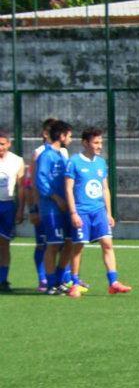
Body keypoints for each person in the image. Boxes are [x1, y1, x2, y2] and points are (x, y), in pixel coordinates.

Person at [64, 127, 132, 297]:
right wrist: (73, 213)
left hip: (99, 211)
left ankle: (113, 282)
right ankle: (74, 282)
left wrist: (109, 213)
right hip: (81, 211)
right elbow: (68, 188)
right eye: (96, 142)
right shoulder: (74, 162)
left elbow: (105, 189)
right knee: (78, 246)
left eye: (100, 142)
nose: (99, 145)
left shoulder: (101, 162)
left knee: (108, 244)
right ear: (85, 143)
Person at [34, 120, 74, 294]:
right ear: (62, 136)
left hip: (64, 207)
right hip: (51, 208)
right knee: (53, 244)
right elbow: (41, 181)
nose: (71, 139)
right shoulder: (46, 155)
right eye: (69, 135)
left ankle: (59, 280)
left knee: (69, 243)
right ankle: (51, 284)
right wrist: (57, 198)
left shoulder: (62, 156)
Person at [23, 117, 63, 290]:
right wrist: (33, 208)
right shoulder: (39, 153)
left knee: (63, 242)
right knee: (44, 243)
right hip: (45, 206)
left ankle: (64, 278)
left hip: (61, 207)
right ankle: (43, 278)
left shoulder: (63, 152)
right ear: (46, 132)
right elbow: (32, 182)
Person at [0, 129, 26, 293]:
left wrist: (21, 209)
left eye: (2, 144)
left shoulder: (17, 161)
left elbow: (22, 187)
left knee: (4, 244)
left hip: (8, 206)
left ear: (8, 144)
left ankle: (3, 280)